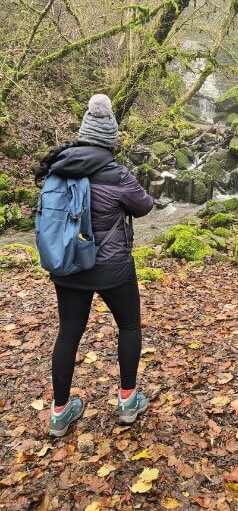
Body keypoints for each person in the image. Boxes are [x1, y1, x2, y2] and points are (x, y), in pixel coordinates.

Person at [35, 94, 153, 437]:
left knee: (69, 332)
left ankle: (60, 412)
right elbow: (144, 206)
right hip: (111, 266)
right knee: (129, 326)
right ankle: (128, 401)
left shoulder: (58, 168)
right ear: (111, 139)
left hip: (68, 265)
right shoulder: (116, 174)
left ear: (84, 133)